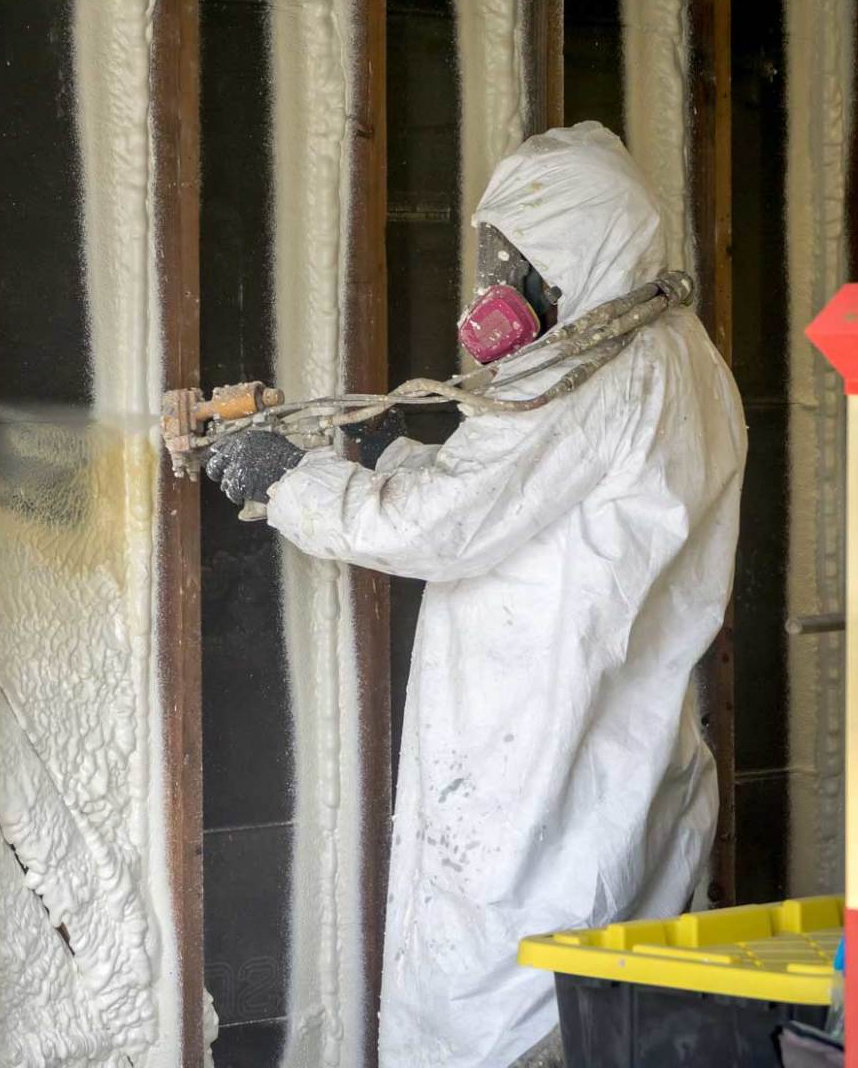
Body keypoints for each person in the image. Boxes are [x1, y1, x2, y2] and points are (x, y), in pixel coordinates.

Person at [202, 123, 747, 1067]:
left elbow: (436, 527)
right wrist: (385, 450)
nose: (500, 284)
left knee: (494, 1020)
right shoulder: (683, 354)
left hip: (535, 774)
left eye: (517, 258)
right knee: (607, 1016)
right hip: (625, 758)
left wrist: (282, 476)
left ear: (578, 248)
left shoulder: (586, 375)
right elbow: (536, 503)